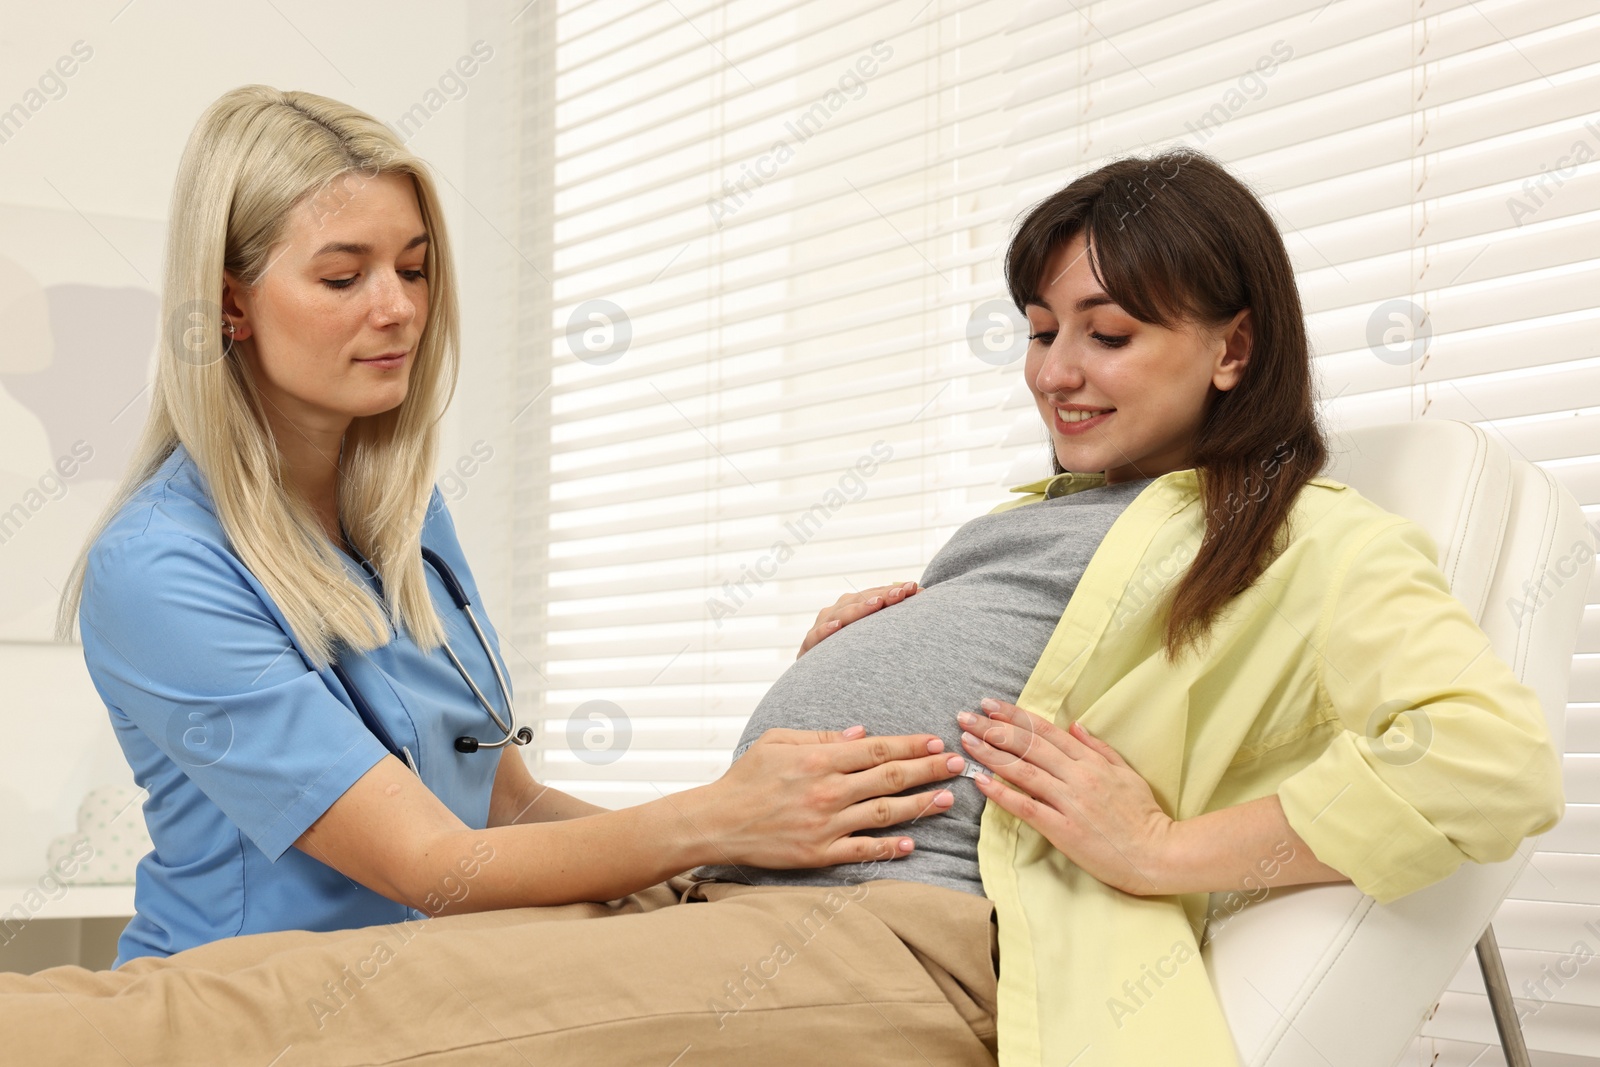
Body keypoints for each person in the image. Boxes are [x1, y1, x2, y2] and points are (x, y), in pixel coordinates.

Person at [6, 137, 1564, 1067]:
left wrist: (1160, 846)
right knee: (296, 994)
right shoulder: (1061, 517)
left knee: (300, 1015)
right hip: (741, 904)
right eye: (1038, 327)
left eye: (1110, 330)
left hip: (911, 936)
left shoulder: (1302, 527)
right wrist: (882, 655)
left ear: (1234, 347)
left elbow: (1486, 760)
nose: (1057, 370)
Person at [47, 85, 957, 969]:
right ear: (230, 305)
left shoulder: (402, 509)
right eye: (343, 274)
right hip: (240, 1006)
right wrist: (717, 815)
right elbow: (429, 861)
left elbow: (505, 810)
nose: (398, 307)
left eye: (413, 267)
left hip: (424, 991)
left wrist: (753, 828)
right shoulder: (160, 566)